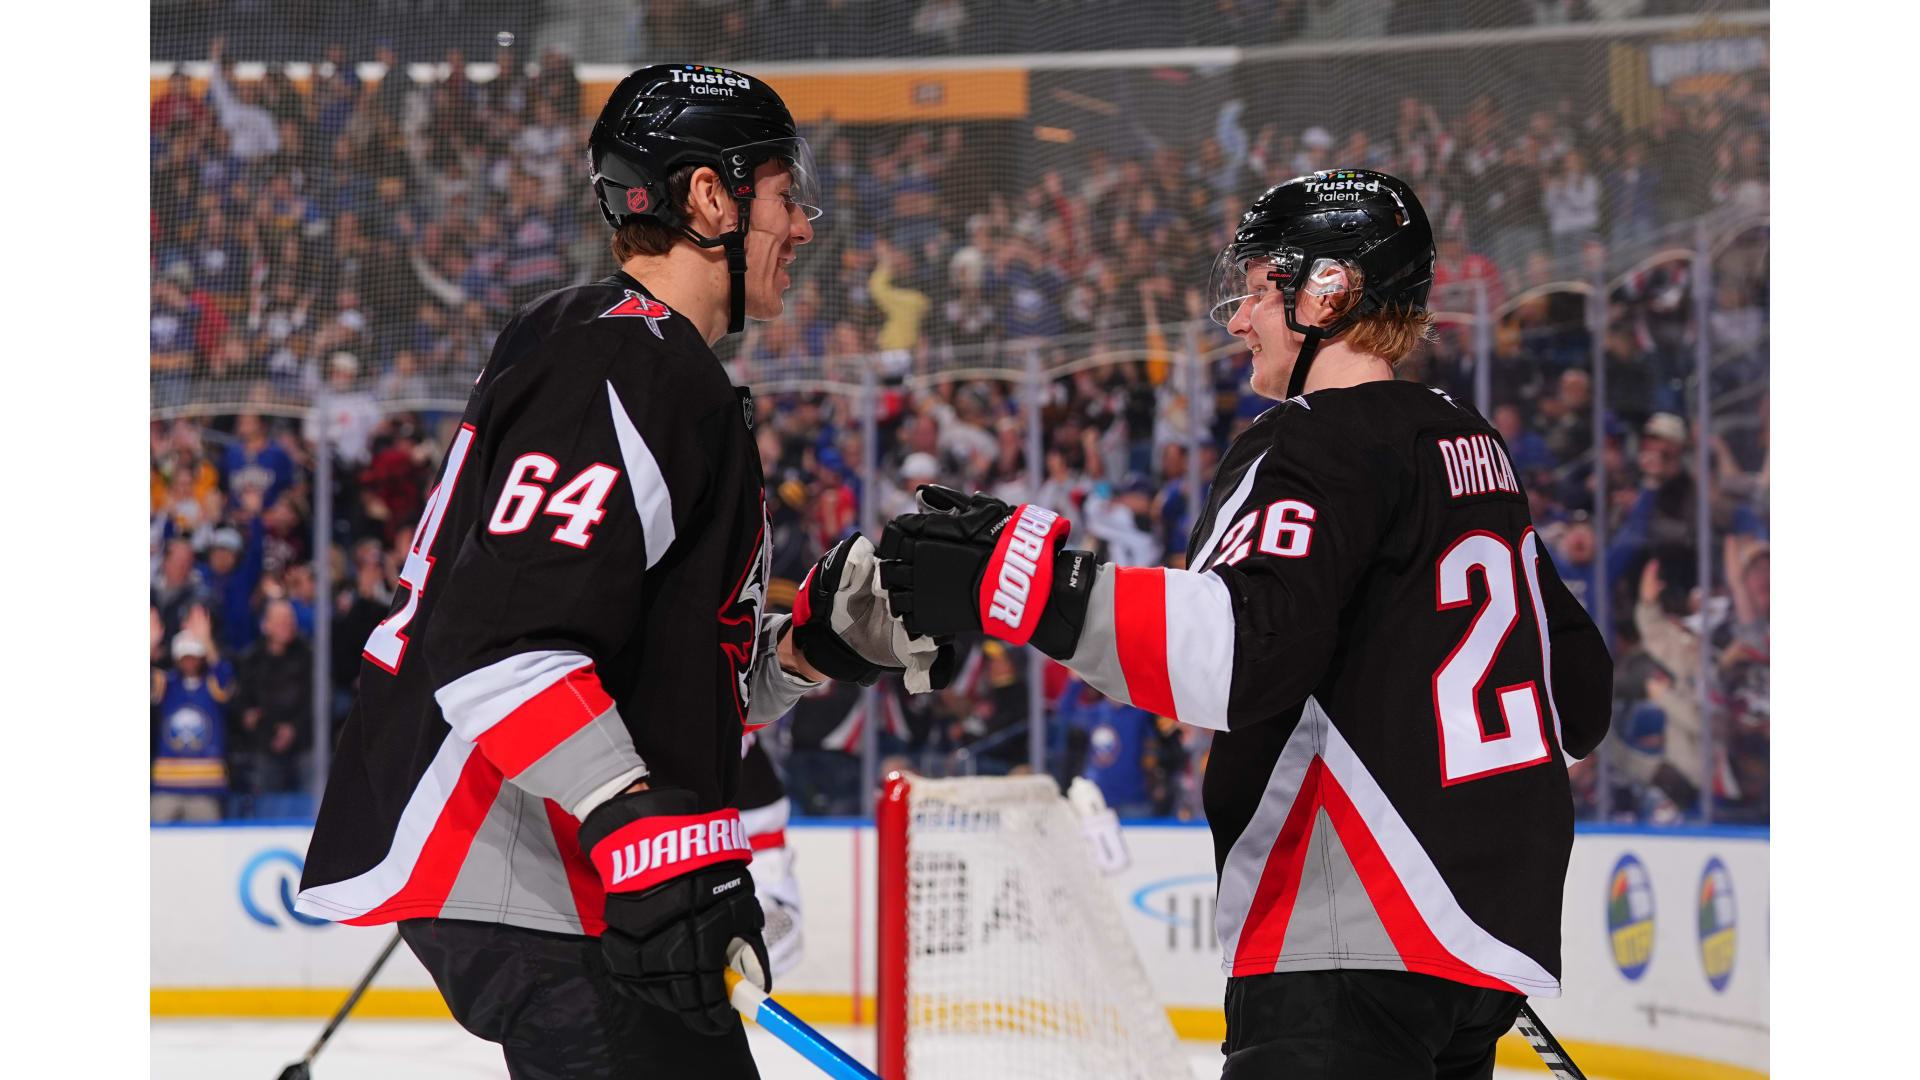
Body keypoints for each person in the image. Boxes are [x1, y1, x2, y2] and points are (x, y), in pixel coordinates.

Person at [878, 170, 1612, 1080]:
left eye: (1262, 288)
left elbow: (1242, 652)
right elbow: (1580, 695)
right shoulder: (1469, 442)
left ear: (1328, 292)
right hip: (1483, 941)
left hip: (1348, 930)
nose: (1239, 320)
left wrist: (1021, 583)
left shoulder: (1309, 440)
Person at [294, 65, 946, 1080]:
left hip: (568, 869)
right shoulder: (627, 360)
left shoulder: (622, 351)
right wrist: (634, 822)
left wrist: (813, 648)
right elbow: (506, 648)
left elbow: (652, 671)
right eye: (785, 196)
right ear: (711, 198)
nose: (801, 228)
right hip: (542, 867)